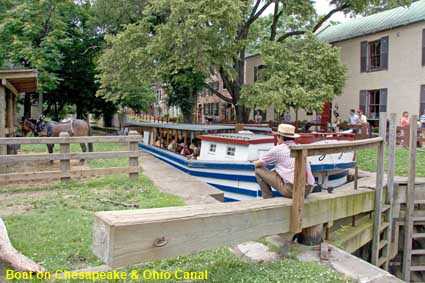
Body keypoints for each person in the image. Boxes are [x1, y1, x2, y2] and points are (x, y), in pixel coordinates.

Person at [253, 124, 315, 199]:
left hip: (293, 190)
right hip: (307, 190)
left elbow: (257, 164)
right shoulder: (299, 147)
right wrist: (277, 169)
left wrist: (255, 161)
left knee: (258, 170)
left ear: (280, 137)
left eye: (277, 136)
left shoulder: (278, 149)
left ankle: (267, 197)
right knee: (276, 171)